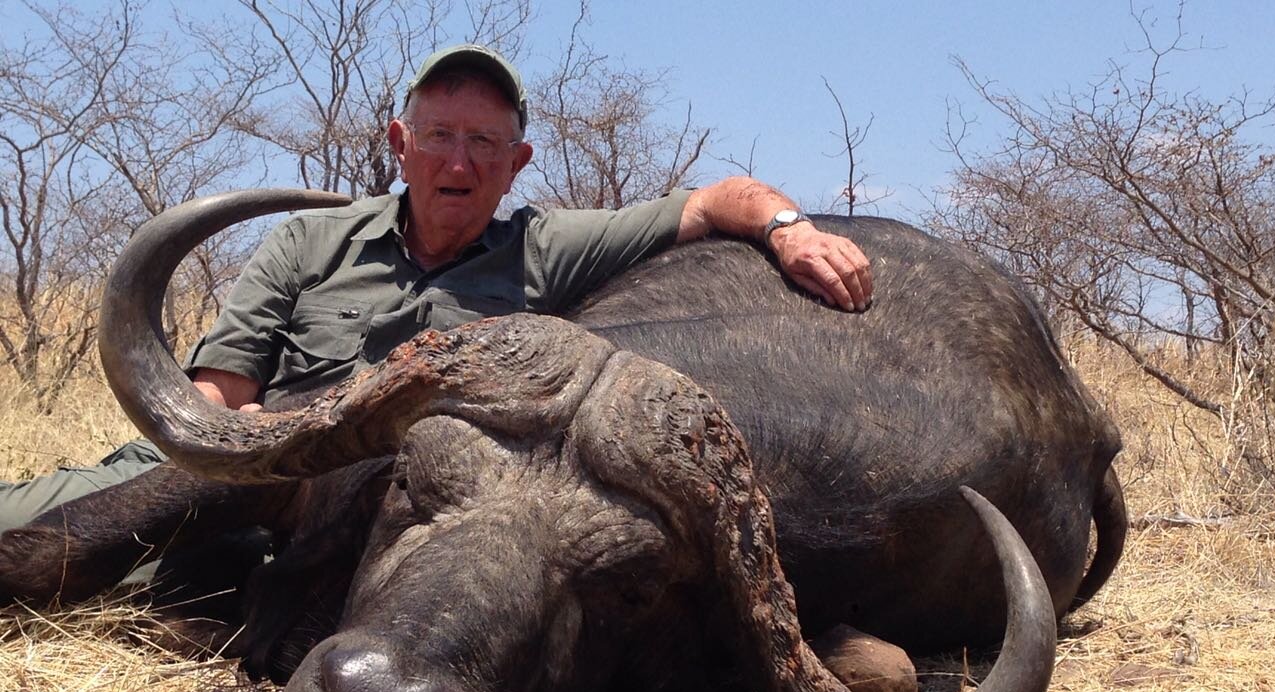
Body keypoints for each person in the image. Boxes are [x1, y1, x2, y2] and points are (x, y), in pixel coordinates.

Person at [0, 43, 872, 538]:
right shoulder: (309, 237)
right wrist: (293, 449)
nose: (460, 163)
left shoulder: (547, 246)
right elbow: (214, 405)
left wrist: (789, 228)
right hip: (248, 472)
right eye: (440, 136)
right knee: (38, 535)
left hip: (395, 509)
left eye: (486, 145)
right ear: (400, 143)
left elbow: (719, 198)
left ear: (517, 163)